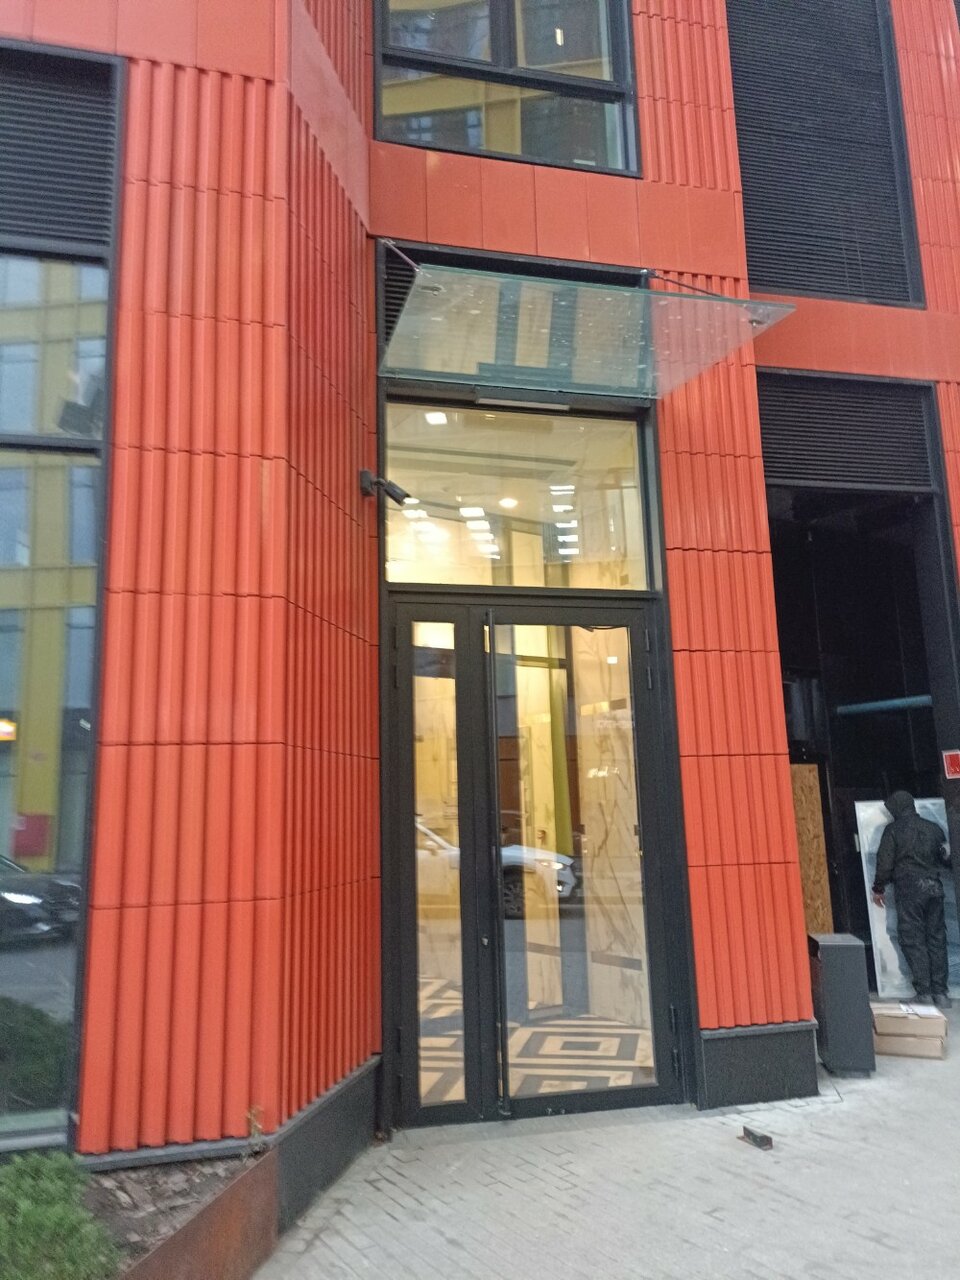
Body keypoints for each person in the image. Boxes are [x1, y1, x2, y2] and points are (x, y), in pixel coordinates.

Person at [872, 790, 953, 1009]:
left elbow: (885, 862)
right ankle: (941, 993)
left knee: (913, 939)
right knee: (936, 938)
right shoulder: (934, 828)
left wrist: (878, 888)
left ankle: (924, 993)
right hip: (934, 888)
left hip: (909, 890)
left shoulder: (893, 831)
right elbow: (946, 857)